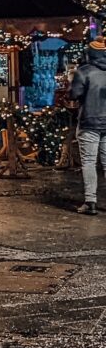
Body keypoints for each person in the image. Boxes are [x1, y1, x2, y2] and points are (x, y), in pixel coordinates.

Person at [70, 37, 106, 215]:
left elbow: (74, 94)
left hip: (89, 121)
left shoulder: (84, 71)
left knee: (89, 162)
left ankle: (90, 201)